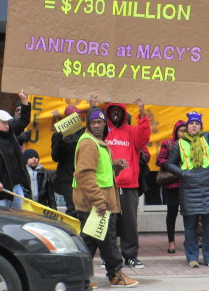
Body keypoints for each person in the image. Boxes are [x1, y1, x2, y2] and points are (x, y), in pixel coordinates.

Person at [73, 106, 138, 287]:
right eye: (93, 122)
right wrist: (98, 202)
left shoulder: (97, 142)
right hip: (96, 203)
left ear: (105, 124)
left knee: (90, 242)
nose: (96, 125)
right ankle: (115, 274)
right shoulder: (88, 143)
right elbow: (85, 175)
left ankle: (80, 278)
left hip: (96, 201)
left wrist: (115, 165)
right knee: (107, 240)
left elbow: (101, 172)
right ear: (88, 124)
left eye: (99, 122)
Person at [164, 97, 209, 268]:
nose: (194, 126)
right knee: (190, 227)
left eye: (197, 124)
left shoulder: (207, 138)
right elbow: (168, 164)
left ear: (201, 126)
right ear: (187, 126)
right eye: (191, 124)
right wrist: (182, 173)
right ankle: (192, 258)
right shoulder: (178, 145)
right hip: (189, 190)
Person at [105, 98, 151, 268]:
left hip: (129, 184)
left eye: (119, 110)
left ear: (124, 114)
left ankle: (130, 256)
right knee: (109, 223)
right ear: (108, 113)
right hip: (108, 184)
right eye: (112, 110)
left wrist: (142, 113)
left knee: (129, 223)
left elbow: (144, 138)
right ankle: (108, 256)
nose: (116, 113)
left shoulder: (132, 131)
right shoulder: (103, 132)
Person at [156, 120, 187, 253]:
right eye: (181, 130)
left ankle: (189, 241)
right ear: (175, 131)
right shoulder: (167, 143)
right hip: (172, 184)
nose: (183, 133)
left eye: (185, 131)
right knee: (172, 213)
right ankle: (171, 242)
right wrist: (174, 166)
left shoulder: (191, 144)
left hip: (187, 184)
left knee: (188, 213)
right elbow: (159, 160)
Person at [51, 105, 85, 218]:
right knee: (73, 208)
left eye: (78, 116)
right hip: (67, 178)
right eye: (73, 117)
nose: (76, 119)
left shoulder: (85, 133)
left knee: (84, 208)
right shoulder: (58, 135)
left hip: (82, 176)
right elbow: (55, 157)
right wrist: (60, 141)